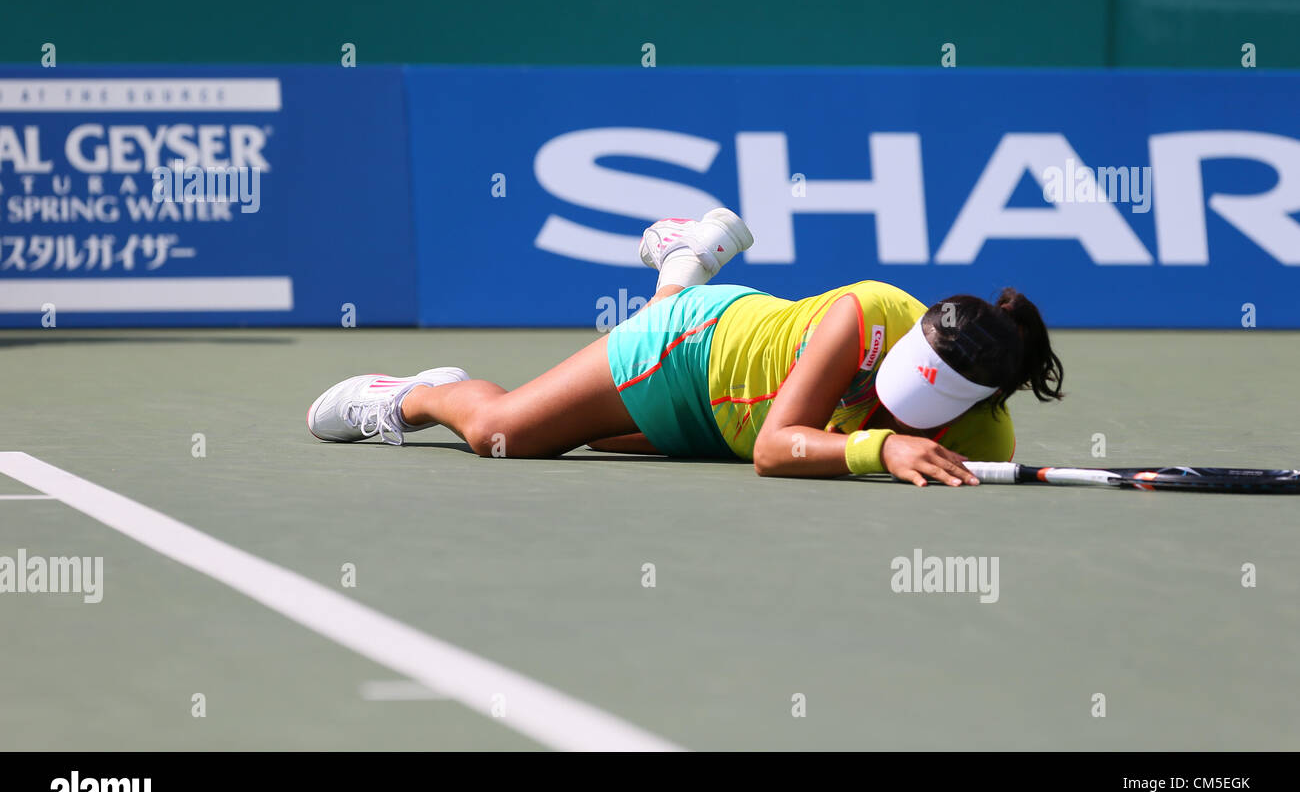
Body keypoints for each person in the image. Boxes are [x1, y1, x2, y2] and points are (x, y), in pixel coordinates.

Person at [307, 209, 1064, 487]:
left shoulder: (984, 433)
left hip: (724, 430)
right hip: (698, 352)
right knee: (504, 434)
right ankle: (413, 394)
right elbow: (775, 451)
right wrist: (884, 452)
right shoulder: (863, 314)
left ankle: (684, 261)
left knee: (594, 441)